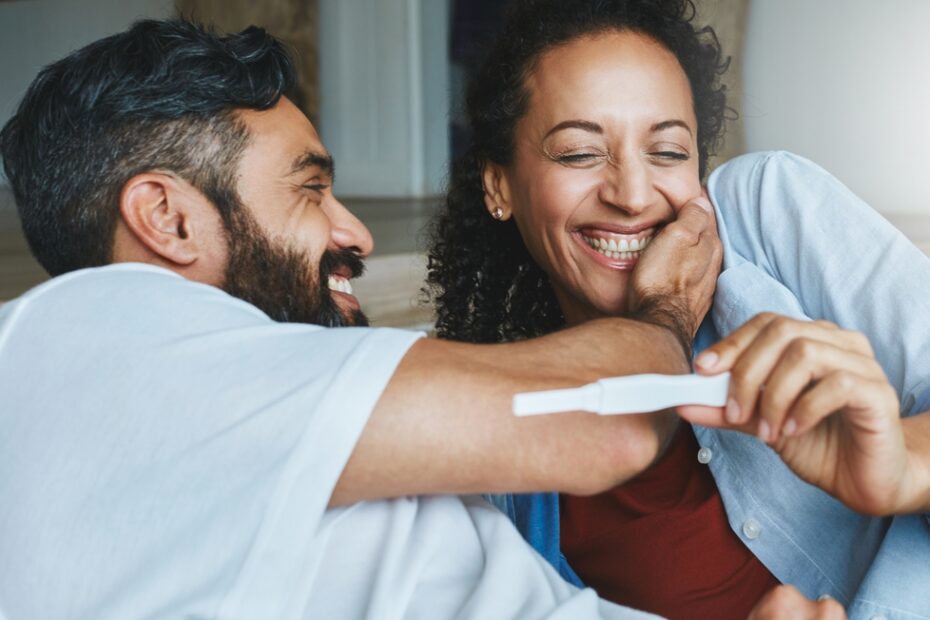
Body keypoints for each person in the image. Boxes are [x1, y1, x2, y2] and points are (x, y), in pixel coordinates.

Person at [0, 16, 790, 620]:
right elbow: (605, 420)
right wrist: (667, 307)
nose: (356, 232)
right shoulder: (91, 332)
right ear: (167, 219)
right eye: (310, 190)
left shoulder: (220, 393)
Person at [426, 0, 930, 618]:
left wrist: (904, 466)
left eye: (667, 152)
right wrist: (659, 316)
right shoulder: (507, 459)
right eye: (580, 154)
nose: (634, 196)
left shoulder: (765, 212)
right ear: (499, 184)